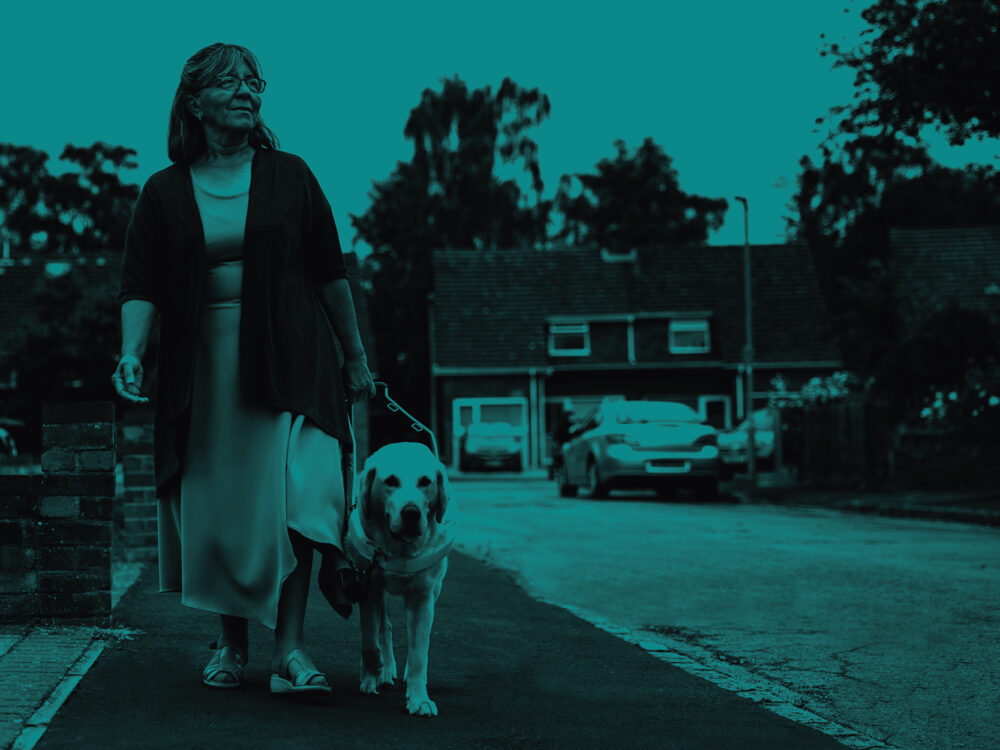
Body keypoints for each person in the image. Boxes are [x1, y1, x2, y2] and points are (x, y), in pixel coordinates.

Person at [111, 43, 375, 694]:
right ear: (194, 101)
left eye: (254, 82)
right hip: (204, 373)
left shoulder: (292, 176)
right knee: (227, 509)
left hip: (291, 359)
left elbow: (329, 273)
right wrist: (131, 352)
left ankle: (290, 647)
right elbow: (139, 283)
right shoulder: (163, 192)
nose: (247, 91)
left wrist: (356, 357)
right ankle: (231, 646)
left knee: (300, 494)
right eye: (230, 82)